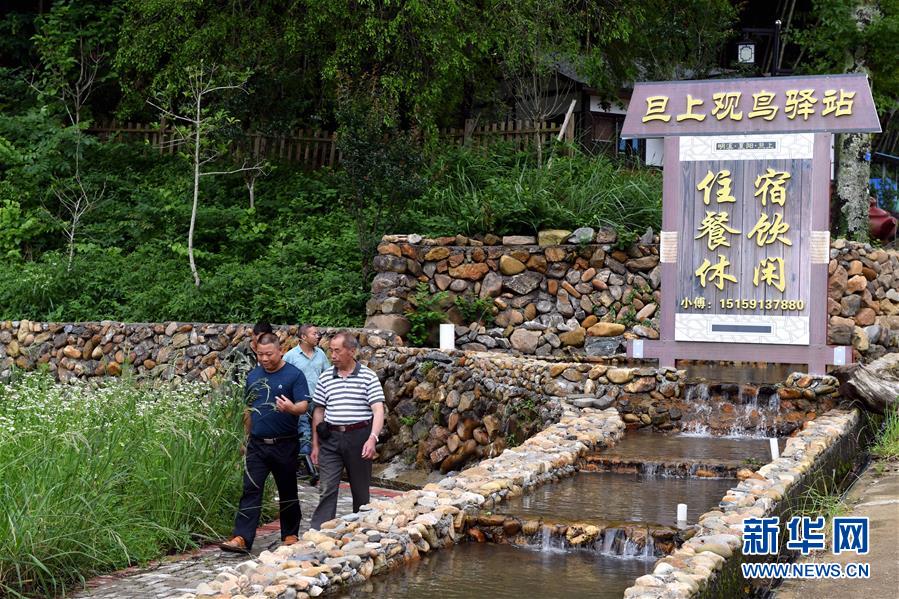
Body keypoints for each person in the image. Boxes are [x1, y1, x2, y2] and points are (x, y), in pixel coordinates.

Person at [220, 333, 309, 553]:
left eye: (269, 354)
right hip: (257, 445)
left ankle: (290, 534)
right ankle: (241, 537)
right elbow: (247, 410)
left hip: (285, 443)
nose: (264, 358)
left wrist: (290, 408)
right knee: (250, 489)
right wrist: (245, 438)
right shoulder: (253, 376)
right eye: (260, 354)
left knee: (287, 489)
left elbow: (304, 406)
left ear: (280, 350)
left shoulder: (294, 375)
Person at [309, 331, 385, 530]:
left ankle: (361, 530)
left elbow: (378, 409)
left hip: (359, 436)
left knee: (360, 490)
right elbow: (318, 411)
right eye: (331, 351)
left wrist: (372, 439)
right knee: (327, 487)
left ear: (351, 351)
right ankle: (321, 530)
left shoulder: (368, 376)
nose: (332, 355)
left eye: (337, 351)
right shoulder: (326, 377)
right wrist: (315, 444)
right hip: (331, 437)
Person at [284, 325, 331, 479]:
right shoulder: (290, 356)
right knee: (304, 431)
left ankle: (309, 464)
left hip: (319, 401)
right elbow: (284, 377)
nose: (318, 336)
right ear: (303, 337)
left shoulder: (321, 354)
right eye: (314, 333)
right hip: (300, 401)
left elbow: (328, 375)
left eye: (318, 333)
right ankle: (306, 467)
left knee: (319, 431)